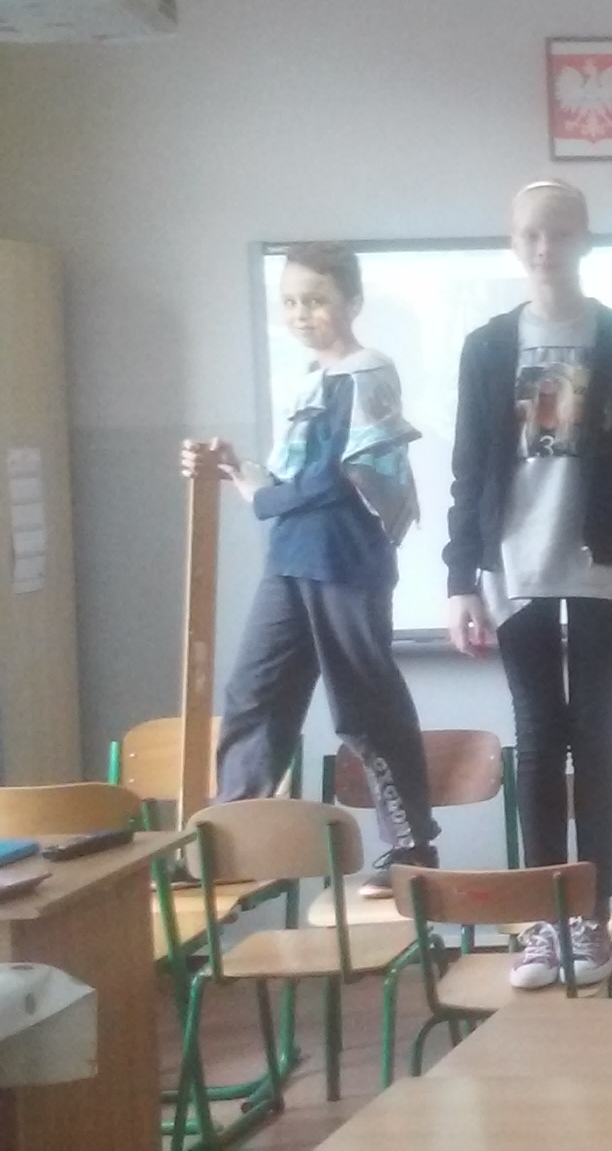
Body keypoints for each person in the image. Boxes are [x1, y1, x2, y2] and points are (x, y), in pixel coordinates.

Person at [443, 179, 612, 990]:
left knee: (595, 731)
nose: (546, 248)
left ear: (585, 238)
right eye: (531, 234)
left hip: (604, 561)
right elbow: (469, 465)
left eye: (561, 233)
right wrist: (460, 578)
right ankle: (545, 920)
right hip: (515, 566)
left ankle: (591, 916)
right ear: (514, 241)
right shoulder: (487, 346)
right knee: (539, 738)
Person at [183, 242, 440, 897]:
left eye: (317, 300)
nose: (302, 313)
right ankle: (231, 837)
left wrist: (262, 497)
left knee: (363, 703)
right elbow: (290, 476)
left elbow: (335, 477)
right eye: (292, 301)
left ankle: (411, 846)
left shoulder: (366, 373)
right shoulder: (308, 378)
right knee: (255, 691)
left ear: (352, 302)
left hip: (344, 562)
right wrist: (237, 469)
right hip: (292, 559)